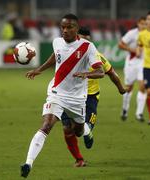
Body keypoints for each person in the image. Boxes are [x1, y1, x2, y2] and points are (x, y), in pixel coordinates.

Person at [20, 14, 104, 178]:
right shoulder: (56, 42)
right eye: (63, 27)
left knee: (78, 131)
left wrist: (86, 74)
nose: (65, 30)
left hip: (77, 98)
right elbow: (55, 56)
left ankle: (87, 131)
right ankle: (28, 163)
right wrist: (39, 70)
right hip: (56, 93)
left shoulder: (88, 47)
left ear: (77, 28)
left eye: (69, 27)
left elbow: (100, 72)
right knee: (46, 125)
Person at [61, 27, 126, 167]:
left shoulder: (97, 56)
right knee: (67, 129)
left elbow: (111, 73)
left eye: (87, 40)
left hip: (90, 97)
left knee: (82, 128)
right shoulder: (67, 53)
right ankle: (79, 159)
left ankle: (87, 131)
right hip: (68, 96)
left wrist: (121, 88)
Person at [119, 17, 147, 122]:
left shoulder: (149, 34)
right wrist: (132, 50)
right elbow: (120, 44)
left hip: (144, 64)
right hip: (131, 63)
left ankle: (139, 113)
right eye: (142, 24)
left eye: (145, 24)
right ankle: (125, 109)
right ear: (138, 24)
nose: (144, 26)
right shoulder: (132, 33)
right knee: (128, 88)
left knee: (142, 86)